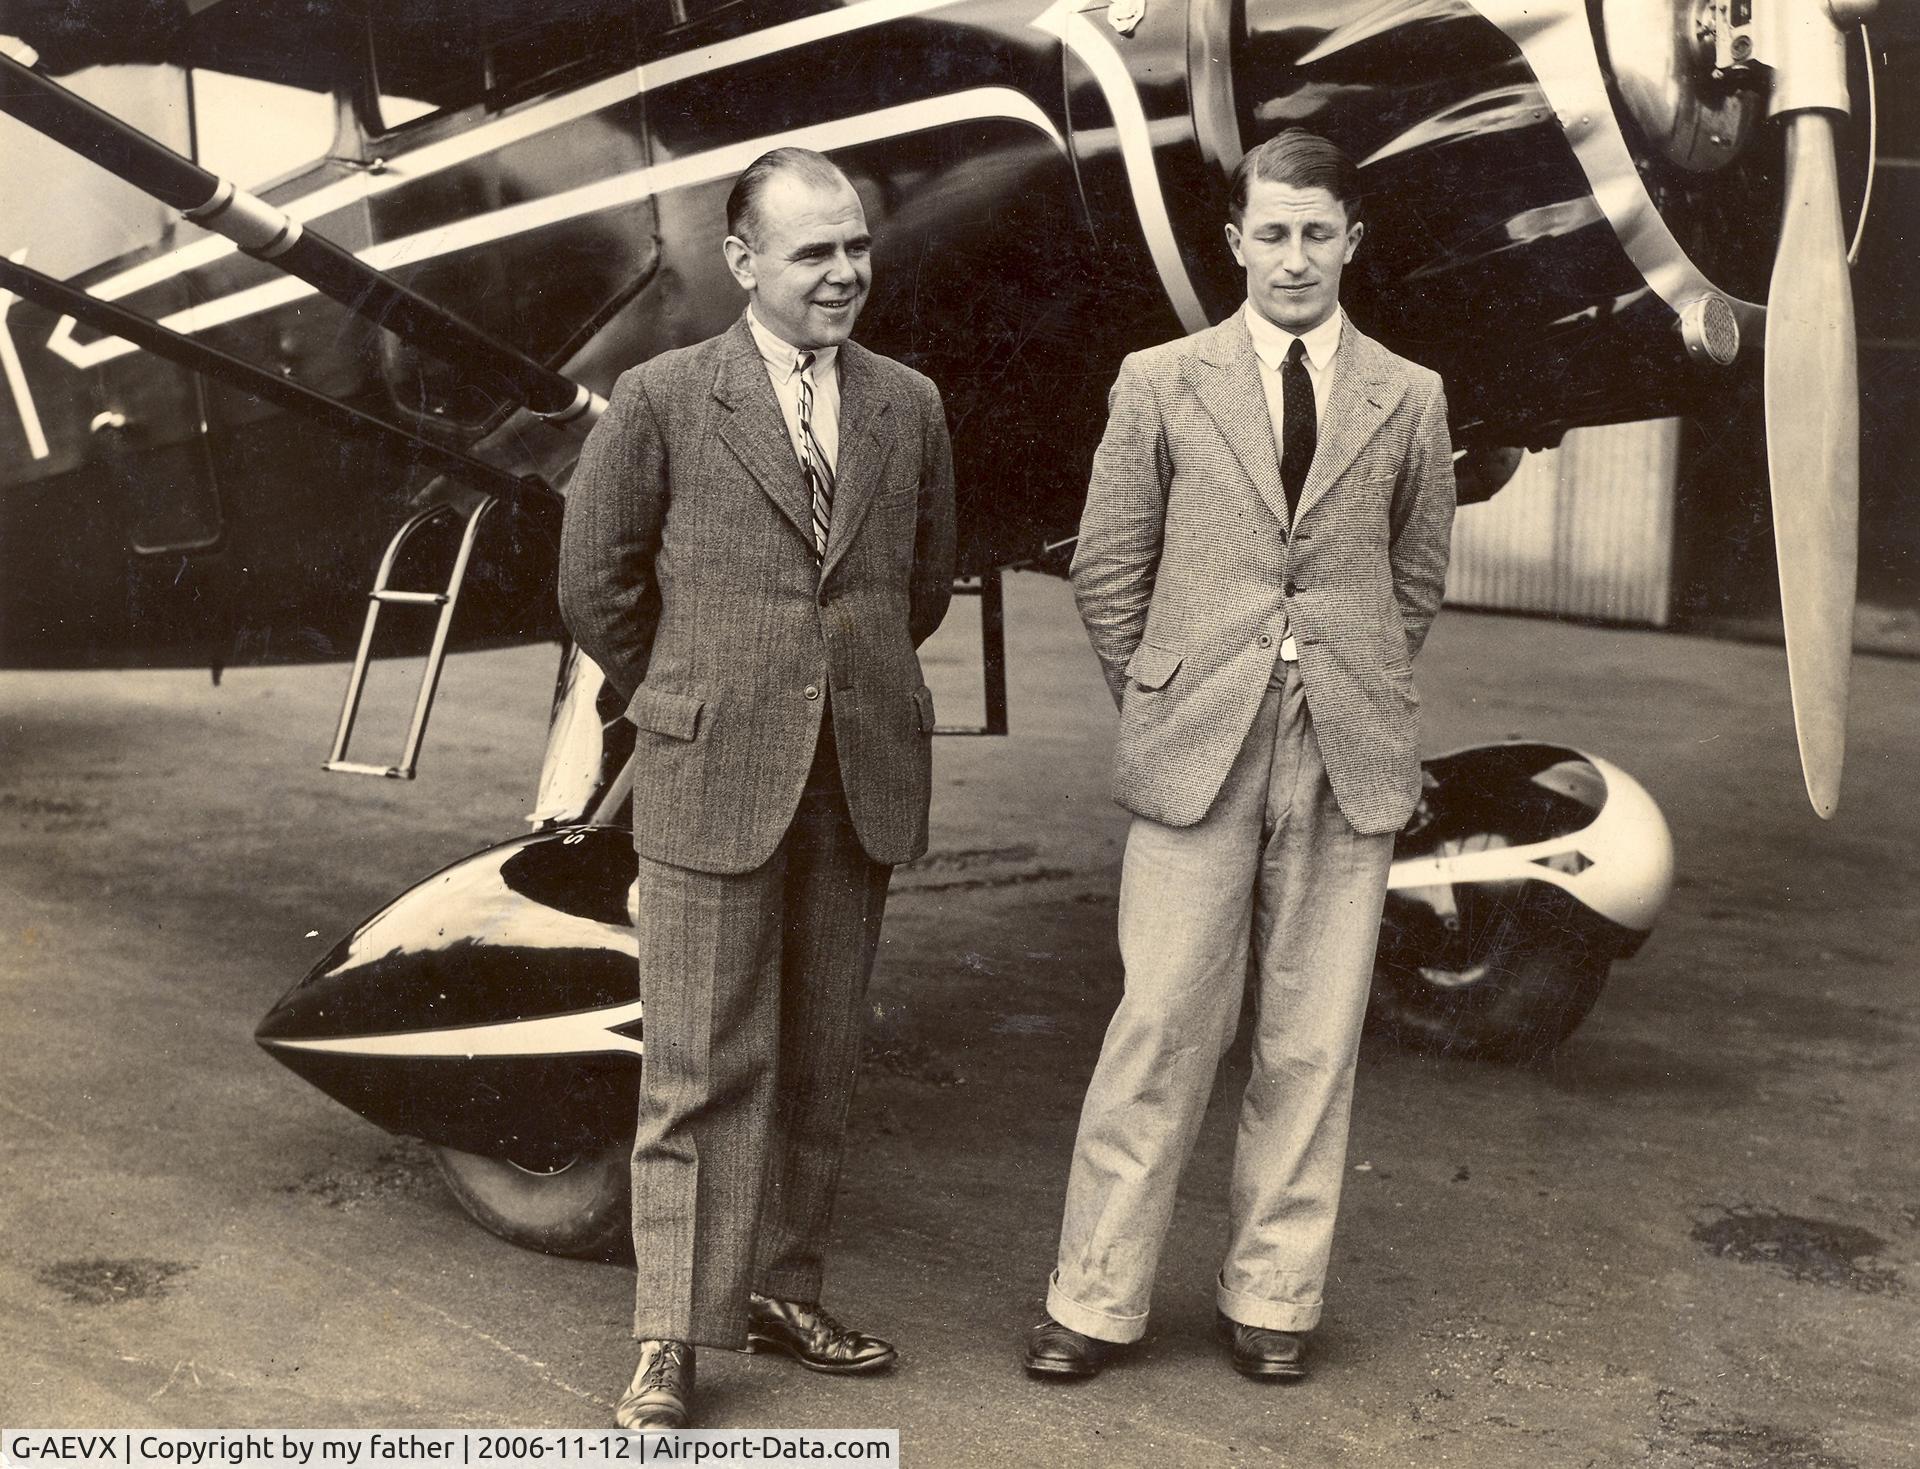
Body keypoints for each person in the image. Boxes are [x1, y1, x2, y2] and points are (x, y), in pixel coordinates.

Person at [1024, 129, 1454, 1383]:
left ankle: (1274, 1295)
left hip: (1345, 747)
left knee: (1312, 1038)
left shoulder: (1408, 394)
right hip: (1196, 746)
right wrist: (1166, 695)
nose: (1295, 256)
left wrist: (1344, 677)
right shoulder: (1162, 379)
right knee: (1161, 1022)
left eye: (1318, 232)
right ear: (1235, 243)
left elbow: (1415, 575)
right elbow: (1109, 567)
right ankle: (1094, 1295)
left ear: (1352, 240)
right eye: (1273, 232)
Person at [558, 147, 956, 1430]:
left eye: (857, 246)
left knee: (821, 1058)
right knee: (696, 1066)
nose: (844, 273)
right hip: (711, 765)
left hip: (857, 772)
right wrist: (696, 690)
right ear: (741, 262)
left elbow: (921, 585)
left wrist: (837, 684)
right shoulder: (665, 396)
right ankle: (670, 1334)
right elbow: (595, 586)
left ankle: (787, 1289)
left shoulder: (908, 403)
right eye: (812, 251)